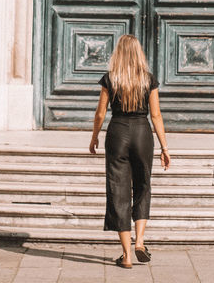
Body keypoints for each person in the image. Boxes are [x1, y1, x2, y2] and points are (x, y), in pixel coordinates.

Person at [89, 34, 170, 269]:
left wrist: (94, 136)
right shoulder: (148, 79)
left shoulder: (110, 79)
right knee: (143, 184)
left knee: (118, 190)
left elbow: (100, 113)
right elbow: (155, 115)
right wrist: (165, 147)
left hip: (118, 133)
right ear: (139, 53)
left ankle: (125, 256)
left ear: (118, 53)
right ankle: (140, 241)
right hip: (142, 133)